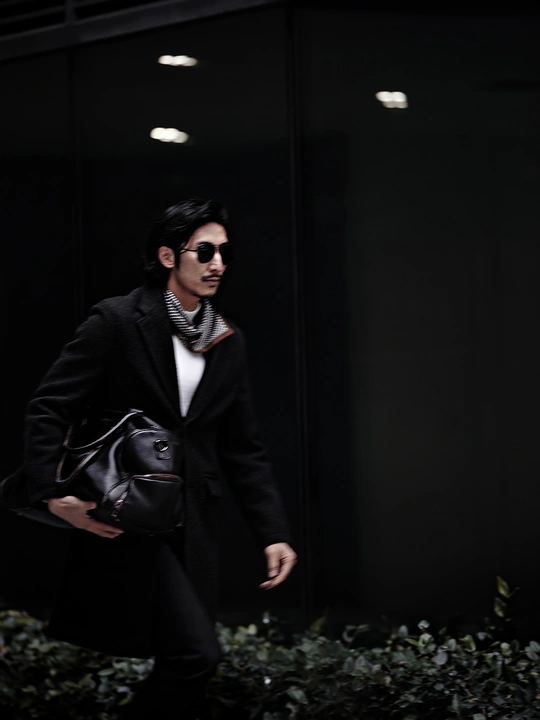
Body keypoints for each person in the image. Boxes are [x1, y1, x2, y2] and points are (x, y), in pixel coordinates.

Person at [18, 197, 297, 719]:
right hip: (127, 514)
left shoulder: (226, 339)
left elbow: (242, 447)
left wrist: (273, 532)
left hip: (193, 522)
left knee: (183, 659)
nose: (218, 263)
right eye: (204, 252)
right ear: (168, 256)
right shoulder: (118, 320)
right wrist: (53, 495)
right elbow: (49, 406)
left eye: (224, 253)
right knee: (196, 657)